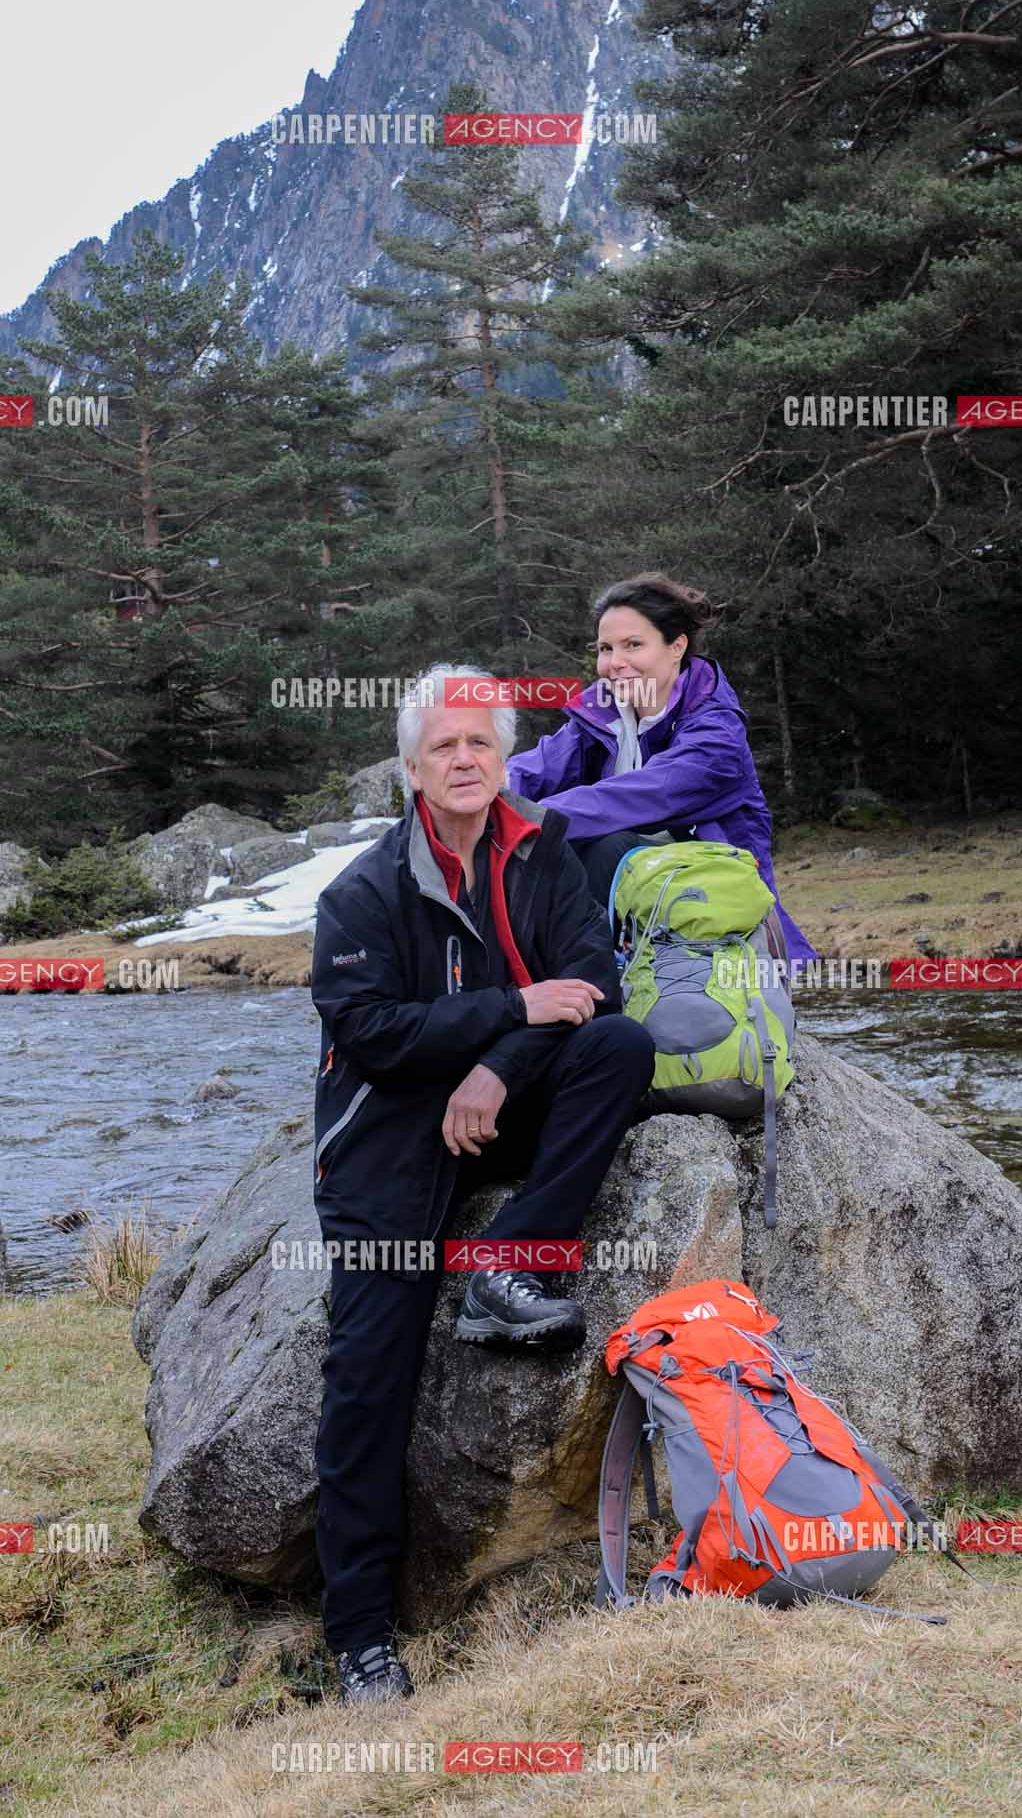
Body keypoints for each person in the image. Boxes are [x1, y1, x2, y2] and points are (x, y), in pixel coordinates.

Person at [308, 663, 656, 1706]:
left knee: (619, 1046)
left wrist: (497, 1066)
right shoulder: (362, 892)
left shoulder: (546, 852)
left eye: (483, 744)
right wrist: (506, 1012)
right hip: (392, 1138)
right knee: (369, 1377)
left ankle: (510, 1267)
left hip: (505, 1100)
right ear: (413, 767)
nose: (466, 760)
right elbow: (370, 1034)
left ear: (503, 759)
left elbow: (590, 985)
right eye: (445, 746)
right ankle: (361, 1636)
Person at [506, 574, 816, 964]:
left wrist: (526, 819)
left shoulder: (717, 734)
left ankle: (576, 977)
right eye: (605, 648)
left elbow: (645, 794)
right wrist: (476, 793)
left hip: (715, 917)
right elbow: (537, 768)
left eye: (633, 645)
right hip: (631, 917)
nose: (614, 664)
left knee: (604, 846)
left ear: (676, 647)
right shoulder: (603, 715)